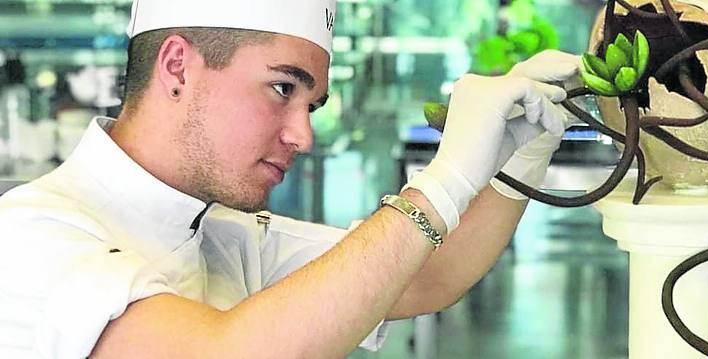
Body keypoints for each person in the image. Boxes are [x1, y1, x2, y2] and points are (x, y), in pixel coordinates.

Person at [0, 1, 580, 358]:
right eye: (283, 88)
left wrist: (518, 156)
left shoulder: (220, 234)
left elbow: (424, 275)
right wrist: (443, 182)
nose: (303, 136)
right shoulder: (29, 240)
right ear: (177, 67)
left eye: (312, 104)